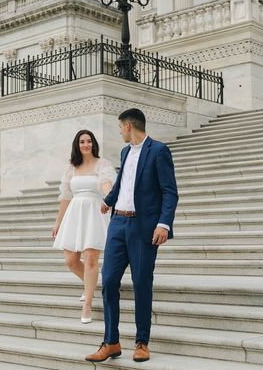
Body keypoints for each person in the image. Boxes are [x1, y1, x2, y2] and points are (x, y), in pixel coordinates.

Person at [85, 108, 178, 364]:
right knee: (109, 282)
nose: (119, 131)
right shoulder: (126, 152)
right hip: (118, 224)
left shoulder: (158, 151)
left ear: (128, 126)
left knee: (141, 284)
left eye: (120, 127)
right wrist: (109, 200)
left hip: (143, 228)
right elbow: (125, 182)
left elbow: (170, 192)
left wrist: (164, 224)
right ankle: (111, 342)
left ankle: (141, 342)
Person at [52, 130, 116, 323]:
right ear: (77, 145)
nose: (86, 145)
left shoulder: (102, 164)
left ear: (94, 143)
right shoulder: (71, 168)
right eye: (82, 142)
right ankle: (90, 286)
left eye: (89, 141)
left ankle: (87, 304)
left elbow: (106, 185)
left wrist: (108, 198)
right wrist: (58, 222)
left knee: (90, 259)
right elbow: (65, 196)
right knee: (71, 260)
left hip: (95, 212)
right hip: (75, 213)